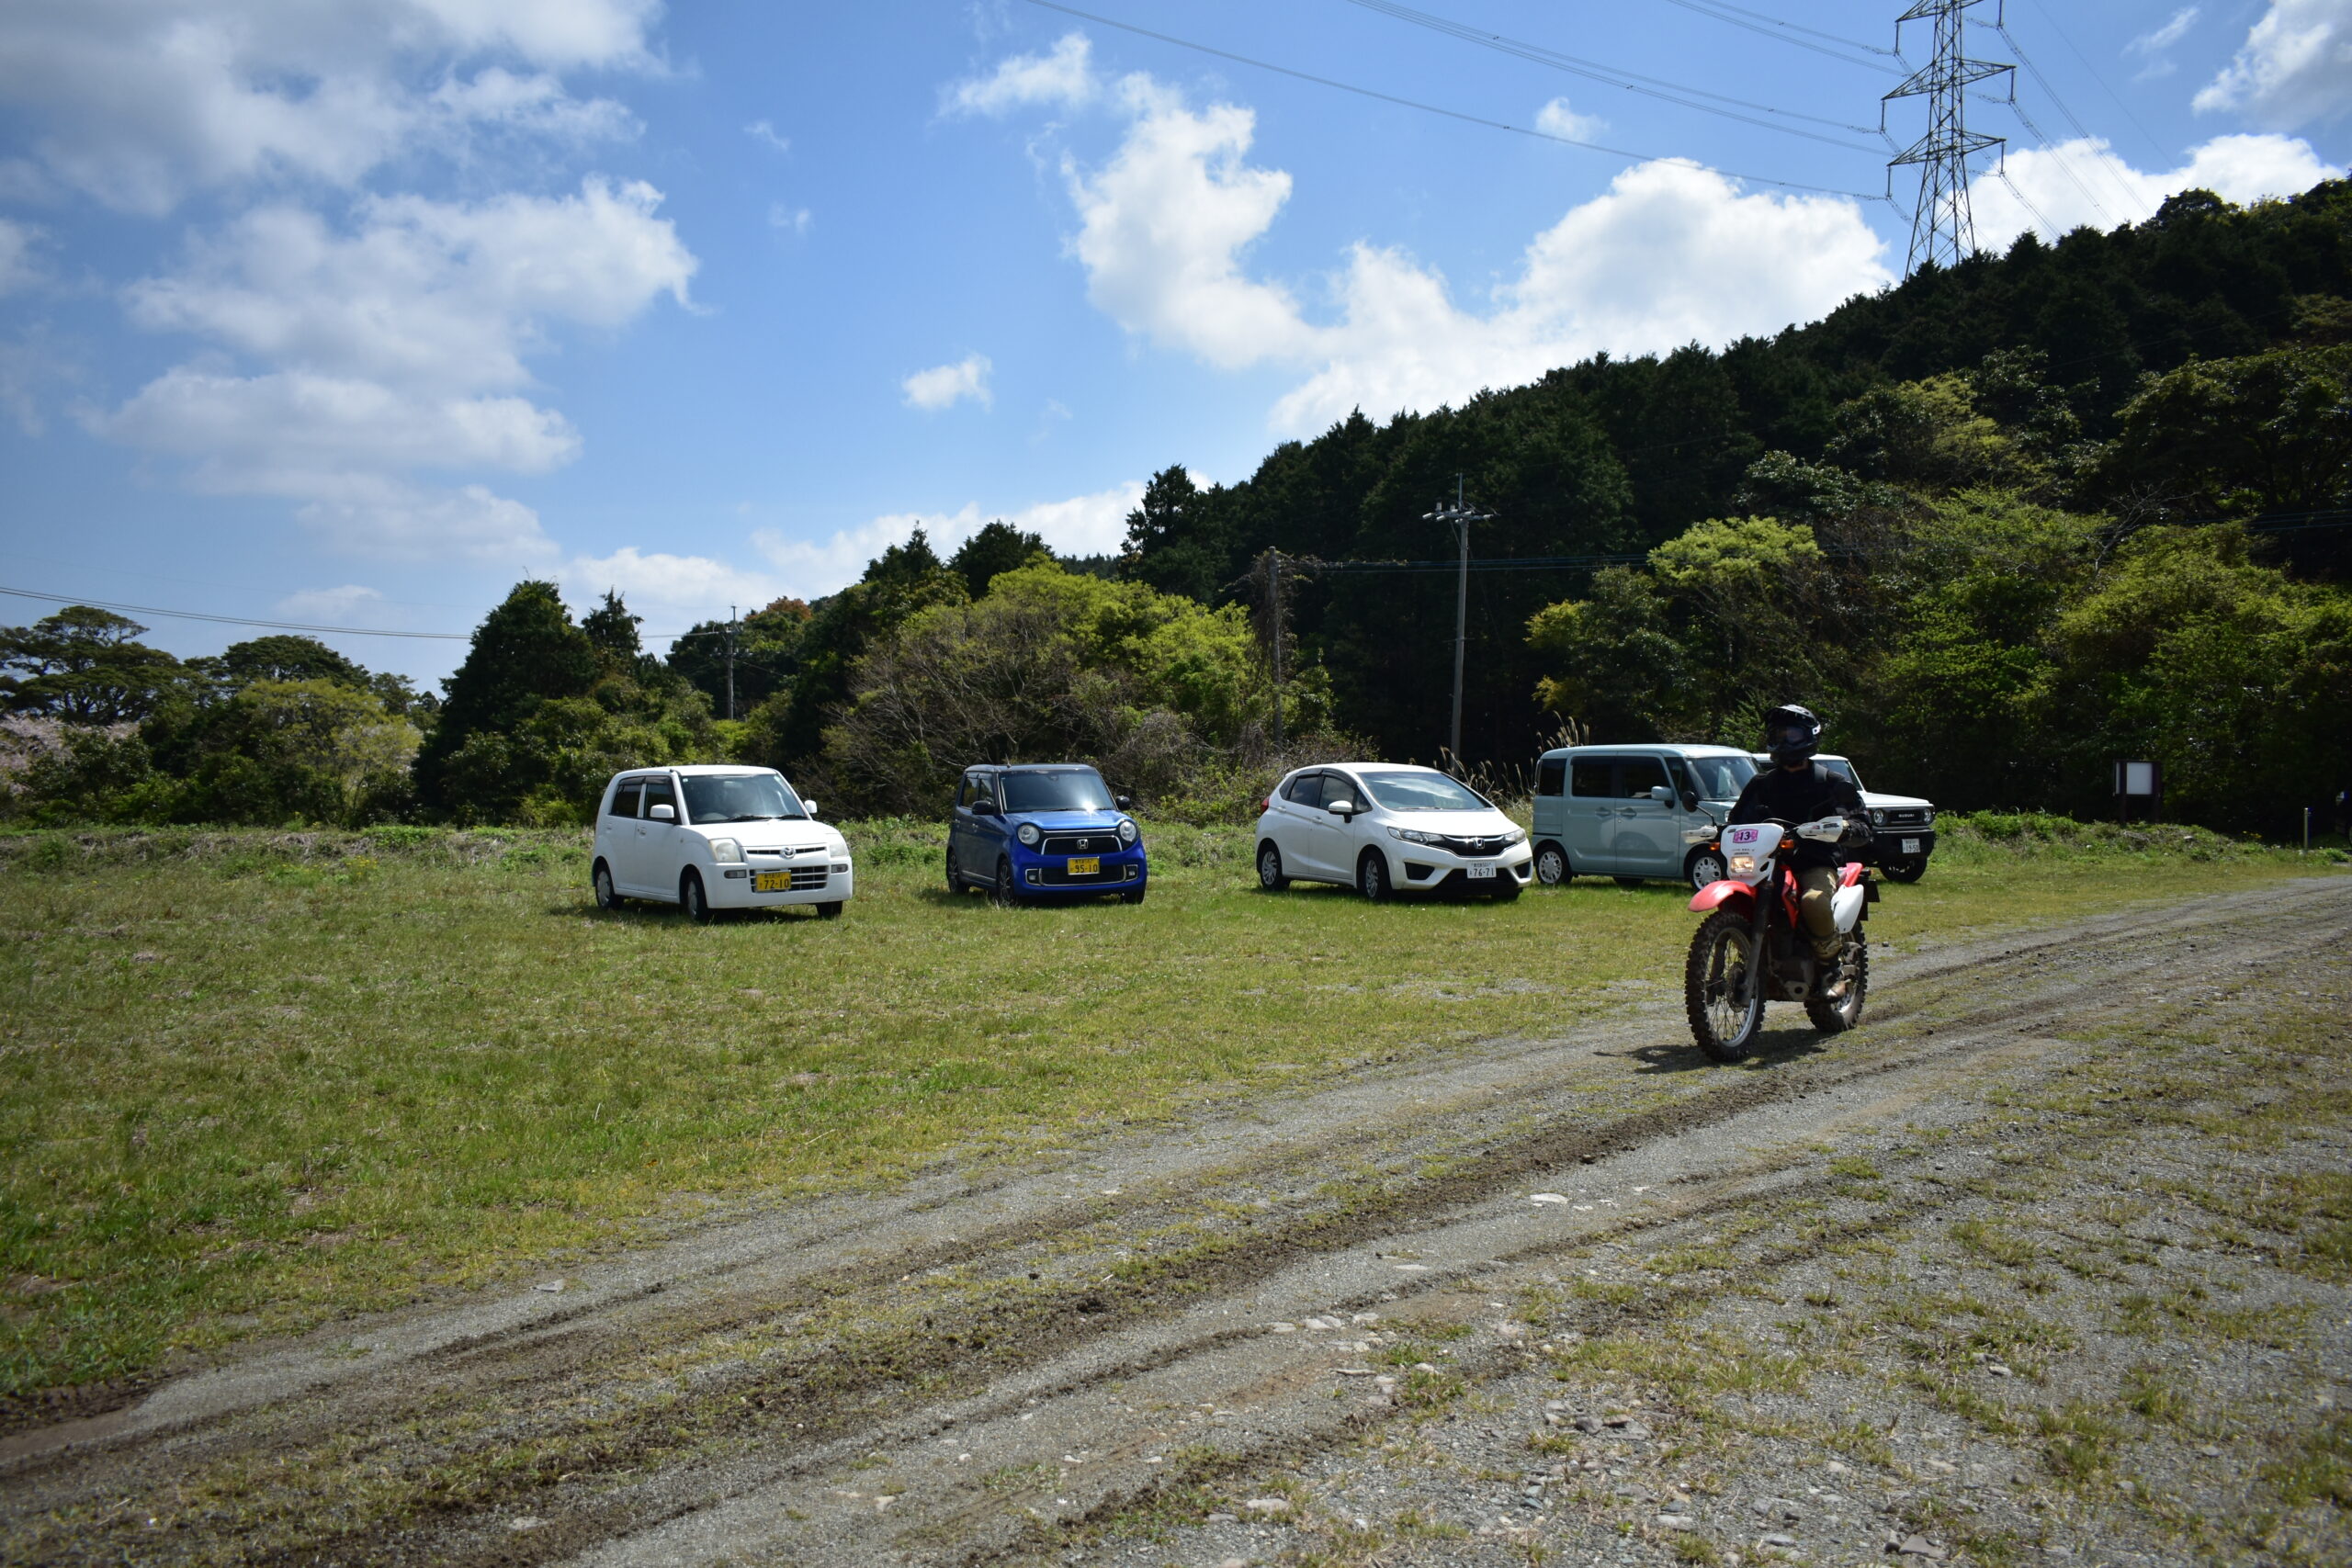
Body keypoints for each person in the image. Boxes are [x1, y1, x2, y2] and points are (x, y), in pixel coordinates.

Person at [1726, 704, 1867, 963]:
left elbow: (1861, 823)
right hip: (1765, 864)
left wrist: (1845, 828)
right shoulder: (1761, 784)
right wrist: (1718, 832)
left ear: (1809, 736)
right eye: (1778, 735)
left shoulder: (1831, 782)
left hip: (1814, 862)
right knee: (1734, 899)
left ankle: (1831, 958)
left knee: (1813, 901)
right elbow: (1737, 822)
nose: (1784, 742)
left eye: (1791, 735)